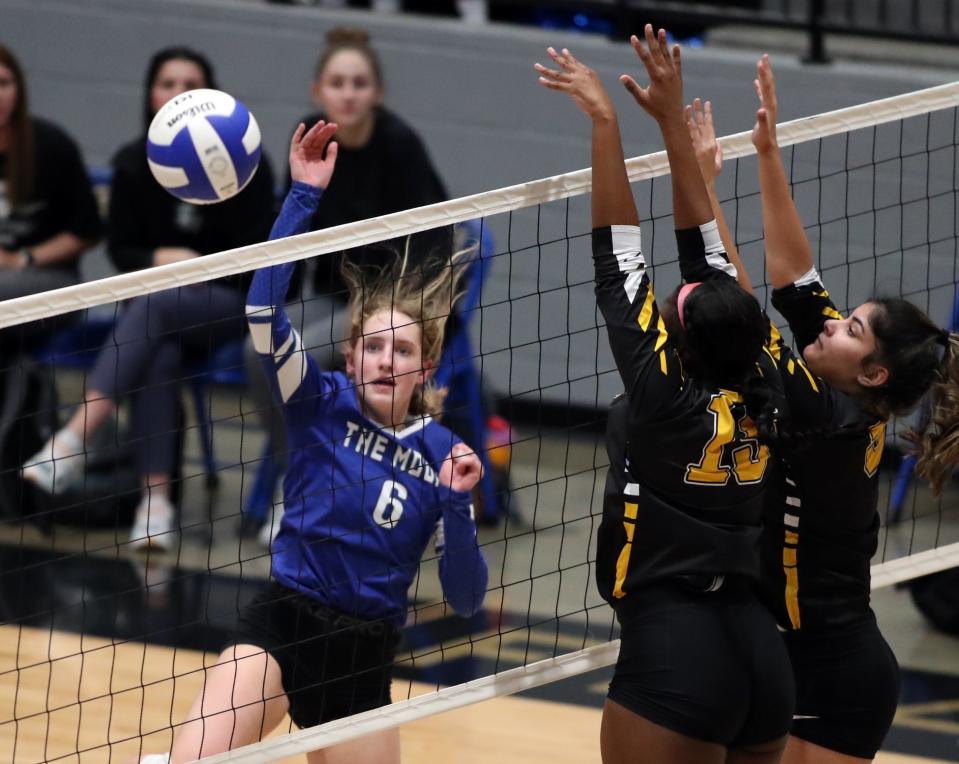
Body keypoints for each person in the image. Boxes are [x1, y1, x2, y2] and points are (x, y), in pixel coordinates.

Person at [137, 119, 487, 764]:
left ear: (426, 367)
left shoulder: (444, 454)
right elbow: (263, 314)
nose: (386, 360)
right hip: (283, 626)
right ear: (350, 359)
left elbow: (466, 600)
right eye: (372, 346)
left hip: (362, 658)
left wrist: (459, 508)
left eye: (402, 348)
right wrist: (302, 197)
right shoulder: (318, 400)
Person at [685, 57, 959, 763]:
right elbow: (795, 277)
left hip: (835, 678)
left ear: (869, 370)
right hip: (790, 658)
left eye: (850, 329)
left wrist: (703, 188)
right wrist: (768, 155)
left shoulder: (820, 413)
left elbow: (736, 306)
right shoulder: (846, 388)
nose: (831, 326)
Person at [535, 27, 793, 764]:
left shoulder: (665, 402)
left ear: (678, 344)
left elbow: (620, 257)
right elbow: (708, 255)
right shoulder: (765, 379)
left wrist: (606, 123)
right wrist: (671, 126)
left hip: (676, 654)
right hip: (760, 655)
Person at [21, 47, 276, 550]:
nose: (177, 94)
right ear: (150, 94)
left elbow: (258, 263)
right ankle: (155, 506)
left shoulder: (245, 163)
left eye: (190, 84)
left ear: (210, 96)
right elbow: (120, 250)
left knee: (154, 307)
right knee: (158, 354)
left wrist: (200, 265)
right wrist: (161, 256)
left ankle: (76, 436)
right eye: (167, 83)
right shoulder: (133, 164)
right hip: (158, 318)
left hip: (230, 307)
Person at [246, 26, 458, 540]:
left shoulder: (400, 146)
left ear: (377, 93)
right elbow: (295, 222)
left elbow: (438, 244)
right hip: (328, 296)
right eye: (338, 82)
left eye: (360, 83)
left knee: (310, 357)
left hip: (391, 303)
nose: (349, 93)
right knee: (256, 354)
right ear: (319, 90)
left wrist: (398, 310)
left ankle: (319, 484)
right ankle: (301, 474)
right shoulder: (311, 135)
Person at [0, 44, 101, 349]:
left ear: (19, 88)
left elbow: (87, 231)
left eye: (3, 83)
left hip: (49, 280)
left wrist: (21, 259)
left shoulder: (51, 145)